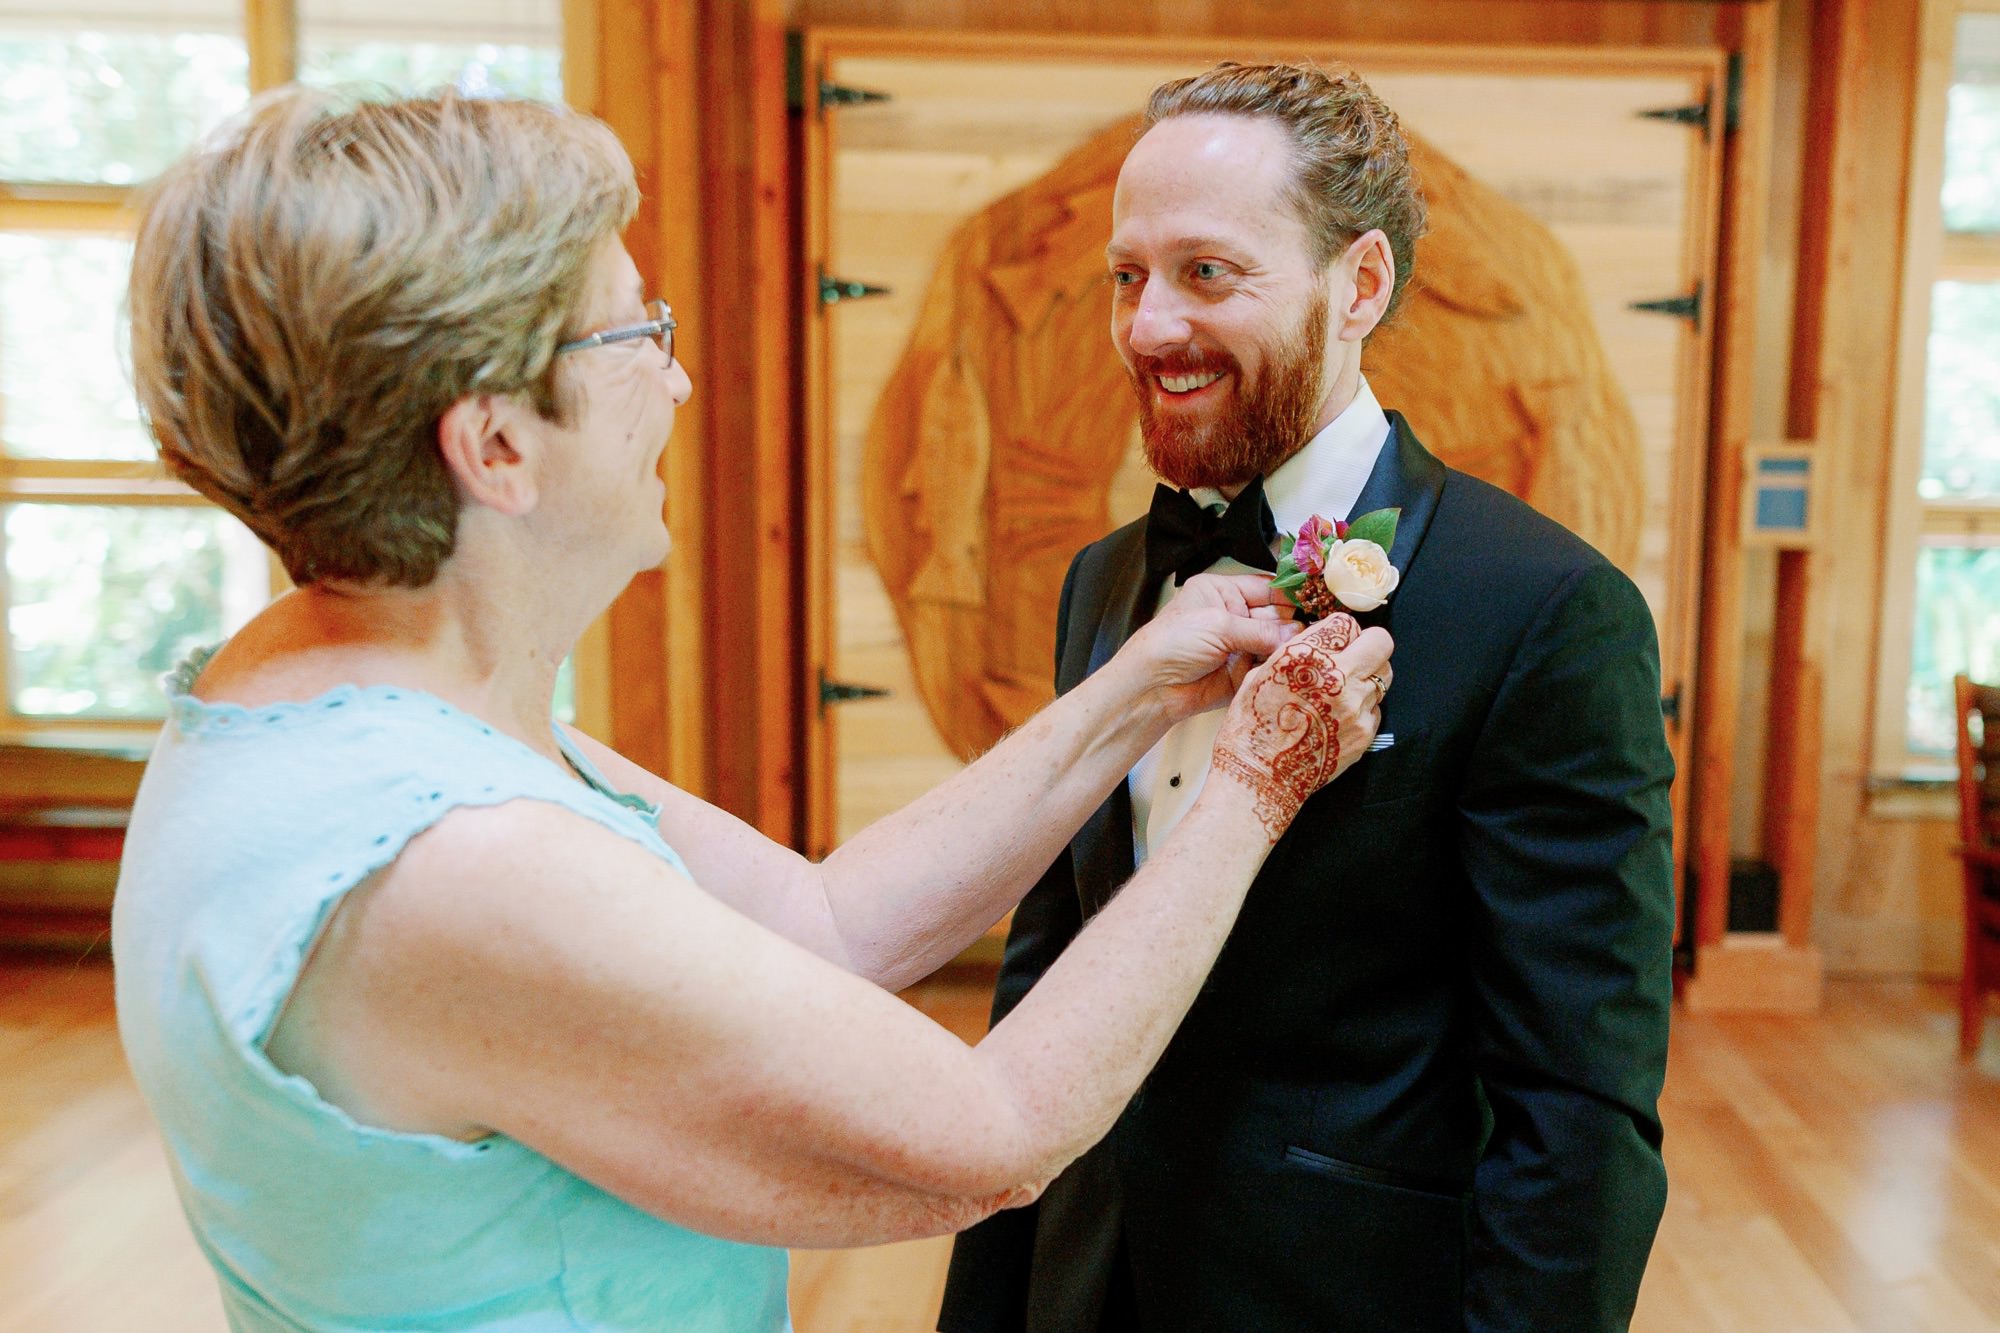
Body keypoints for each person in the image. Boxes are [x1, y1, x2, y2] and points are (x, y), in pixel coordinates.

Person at [110, 88, 1394, 1332]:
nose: (675, 385)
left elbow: (818, 923)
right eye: (631, 337)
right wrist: (1251, 787)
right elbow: (990, 1137)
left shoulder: (324, 684)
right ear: (495, 445)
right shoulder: (462, 864)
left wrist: (1135, 688)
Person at [940, 61, 1676, 1333]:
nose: (1147, 326)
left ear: (1361, 285)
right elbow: (1048, 970)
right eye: (1128, 275)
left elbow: (1576, 1105)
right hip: (1082, 1273)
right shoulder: (1106, 583)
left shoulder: (1546, 613)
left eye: (1207, 273)